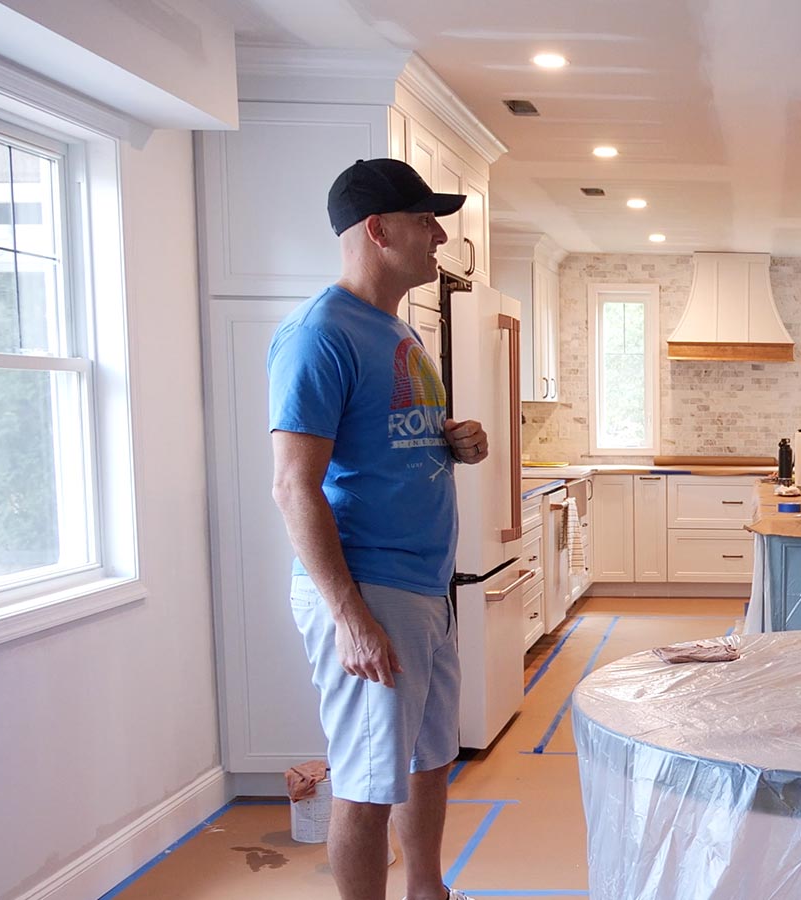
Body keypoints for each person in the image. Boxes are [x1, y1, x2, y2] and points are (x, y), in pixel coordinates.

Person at [269, 158, 489, 900]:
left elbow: (388, 441)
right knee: (366, 781)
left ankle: (429, 891)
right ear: (378, 230)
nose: (440, 237)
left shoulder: (399, 331)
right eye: (426, 221)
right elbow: (293, 485)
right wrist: (350, 616)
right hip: (370, 587)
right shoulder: (319, 334)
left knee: (429, 758)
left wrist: (454, 442)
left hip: (423, 584)